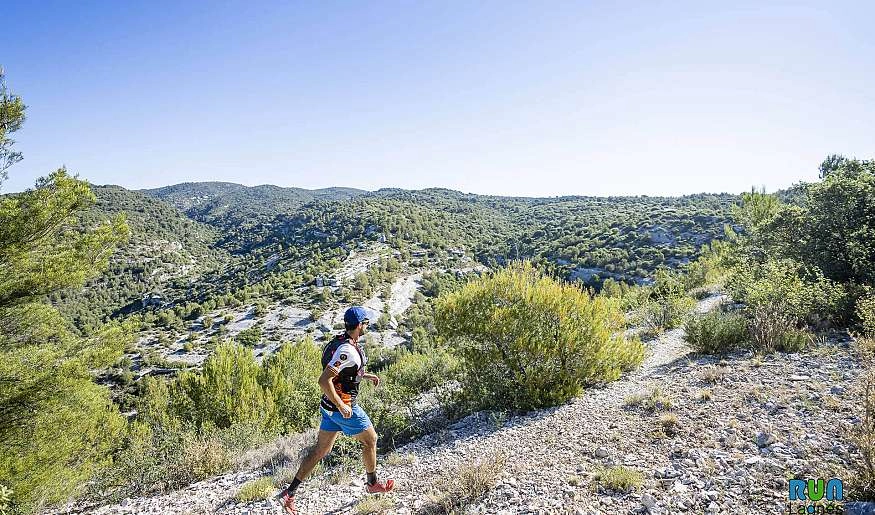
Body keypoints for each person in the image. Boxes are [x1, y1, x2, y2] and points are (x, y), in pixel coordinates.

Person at [278, 306, 395, 514]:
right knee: (371, 440)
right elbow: (324, 380)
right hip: (343, 407)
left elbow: (344, 372)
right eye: (366, 323)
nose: (367, 326)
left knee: (321, 450)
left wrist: (366, 376)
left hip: (328, 408)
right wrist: (342, 405)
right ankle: (372, 484)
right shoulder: (347, 350)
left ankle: (290, 493)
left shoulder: (339, 342)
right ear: (359, 325)